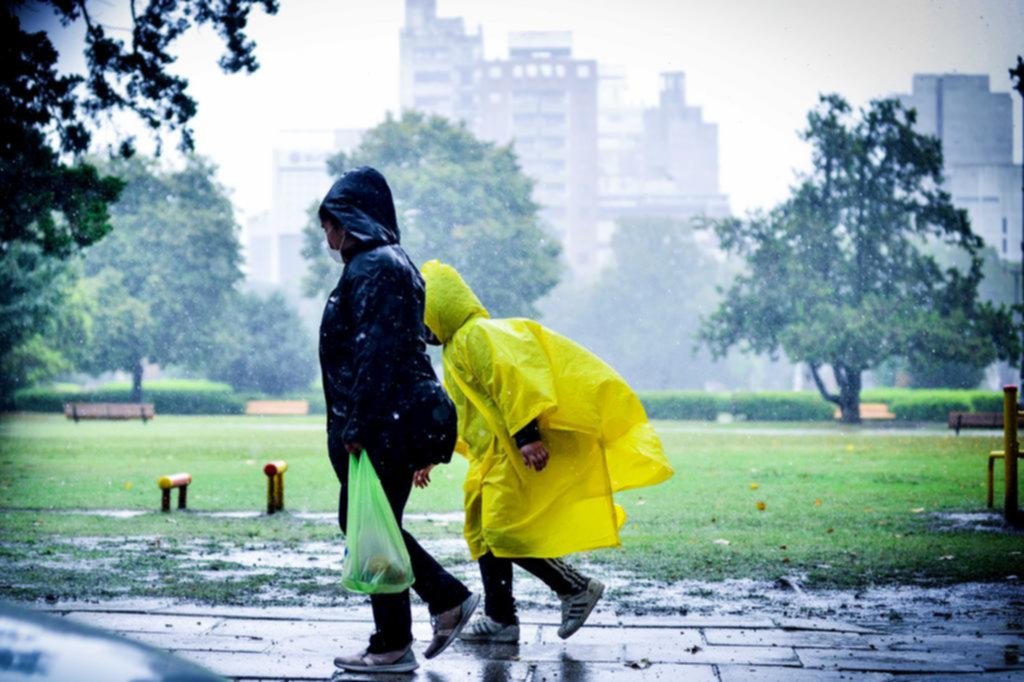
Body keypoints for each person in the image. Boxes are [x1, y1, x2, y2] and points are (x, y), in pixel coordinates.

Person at [415, 260, 674, 643]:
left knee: (502, 531)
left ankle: (574, 587)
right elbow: (464, 414)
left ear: (439, 307)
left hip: (510, 453)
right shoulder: (455, 350)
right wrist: (433, 455)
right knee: (484, 534)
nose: (422, 330)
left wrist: (527, 435)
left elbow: (514, 380)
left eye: (424, 318)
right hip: (490, 459)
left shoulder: (477, 335)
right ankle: (501, 619)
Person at [318, 169, 479, 674]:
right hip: (388, 420)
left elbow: (376, 355)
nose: (327, 236)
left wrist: (358, 427)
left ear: (350, 220)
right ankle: (407, 628)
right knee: (372, 525)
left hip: (381, 425)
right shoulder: (387, 264)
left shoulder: (374, 268)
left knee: (368, 525)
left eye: (330, 224)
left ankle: (422, 618)